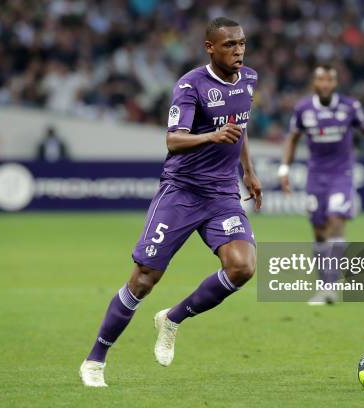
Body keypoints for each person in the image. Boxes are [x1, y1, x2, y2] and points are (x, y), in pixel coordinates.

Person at [80, 17, 262, 387]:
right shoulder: (190, 85)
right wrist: (211, 136)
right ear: (210, 47)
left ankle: (173, 318)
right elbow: (174, 140)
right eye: (229, 44)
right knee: (145, 279)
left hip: (222, 194)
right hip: (181, 192)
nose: (238, 50)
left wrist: (249, 171)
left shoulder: (249, 80)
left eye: (241, 43)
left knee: (242, 267)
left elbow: (239, 130)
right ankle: (95, 359)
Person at [279, 64, 364, 305]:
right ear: (314, 82)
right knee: (319, 232)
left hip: (341, 174)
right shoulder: (303, 109)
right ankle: (324, 284)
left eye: (329, 80)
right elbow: (292, 138)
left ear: (335, 83)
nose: (325, 85)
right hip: (315, 176)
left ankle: (329, 287)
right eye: (320, 80)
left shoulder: (350, 107)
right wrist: (284, 168)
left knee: (335, 220)